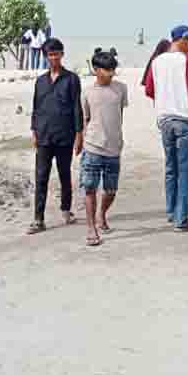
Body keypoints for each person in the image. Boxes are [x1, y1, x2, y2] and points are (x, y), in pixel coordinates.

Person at [143, 25, 188, 231]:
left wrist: (165, 101)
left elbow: (150, 90)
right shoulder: (187, 60)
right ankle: (181, 218)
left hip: (165, 120)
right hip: (185, 120)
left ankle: (171, 211)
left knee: (171, 168)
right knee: (186, 171)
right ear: (184, 39)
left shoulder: (156, 61)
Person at [29, 38, 83, 233]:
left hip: (65, 136)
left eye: (56, 54)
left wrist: (79, 134)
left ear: (62, 54)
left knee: (64, 174)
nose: (53, 58)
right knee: (41, 176)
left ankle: (66, 209)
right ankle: (38, 219)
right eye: (50, 54)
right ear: (45, 56)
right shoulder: (40, 81)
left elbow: (77, 107)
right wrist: (33, 130)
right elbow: (36, 107)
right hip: (43, 136)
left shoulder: (71, 79)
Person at [79, 50, 128, 246]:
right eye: (108, 70)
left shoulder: (121, 89)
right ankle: (91, 228)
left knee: (111, 190)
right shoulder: (87, 92)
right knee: (89, 188)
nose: (111, 73)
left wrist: (117, 137)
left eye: (113, 69)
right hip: (92, 147)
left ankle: (102, 213)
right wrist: (81, 142)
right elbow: (85, 119)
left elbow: (120, 115)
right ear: (97, 70)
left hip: (114, 148)